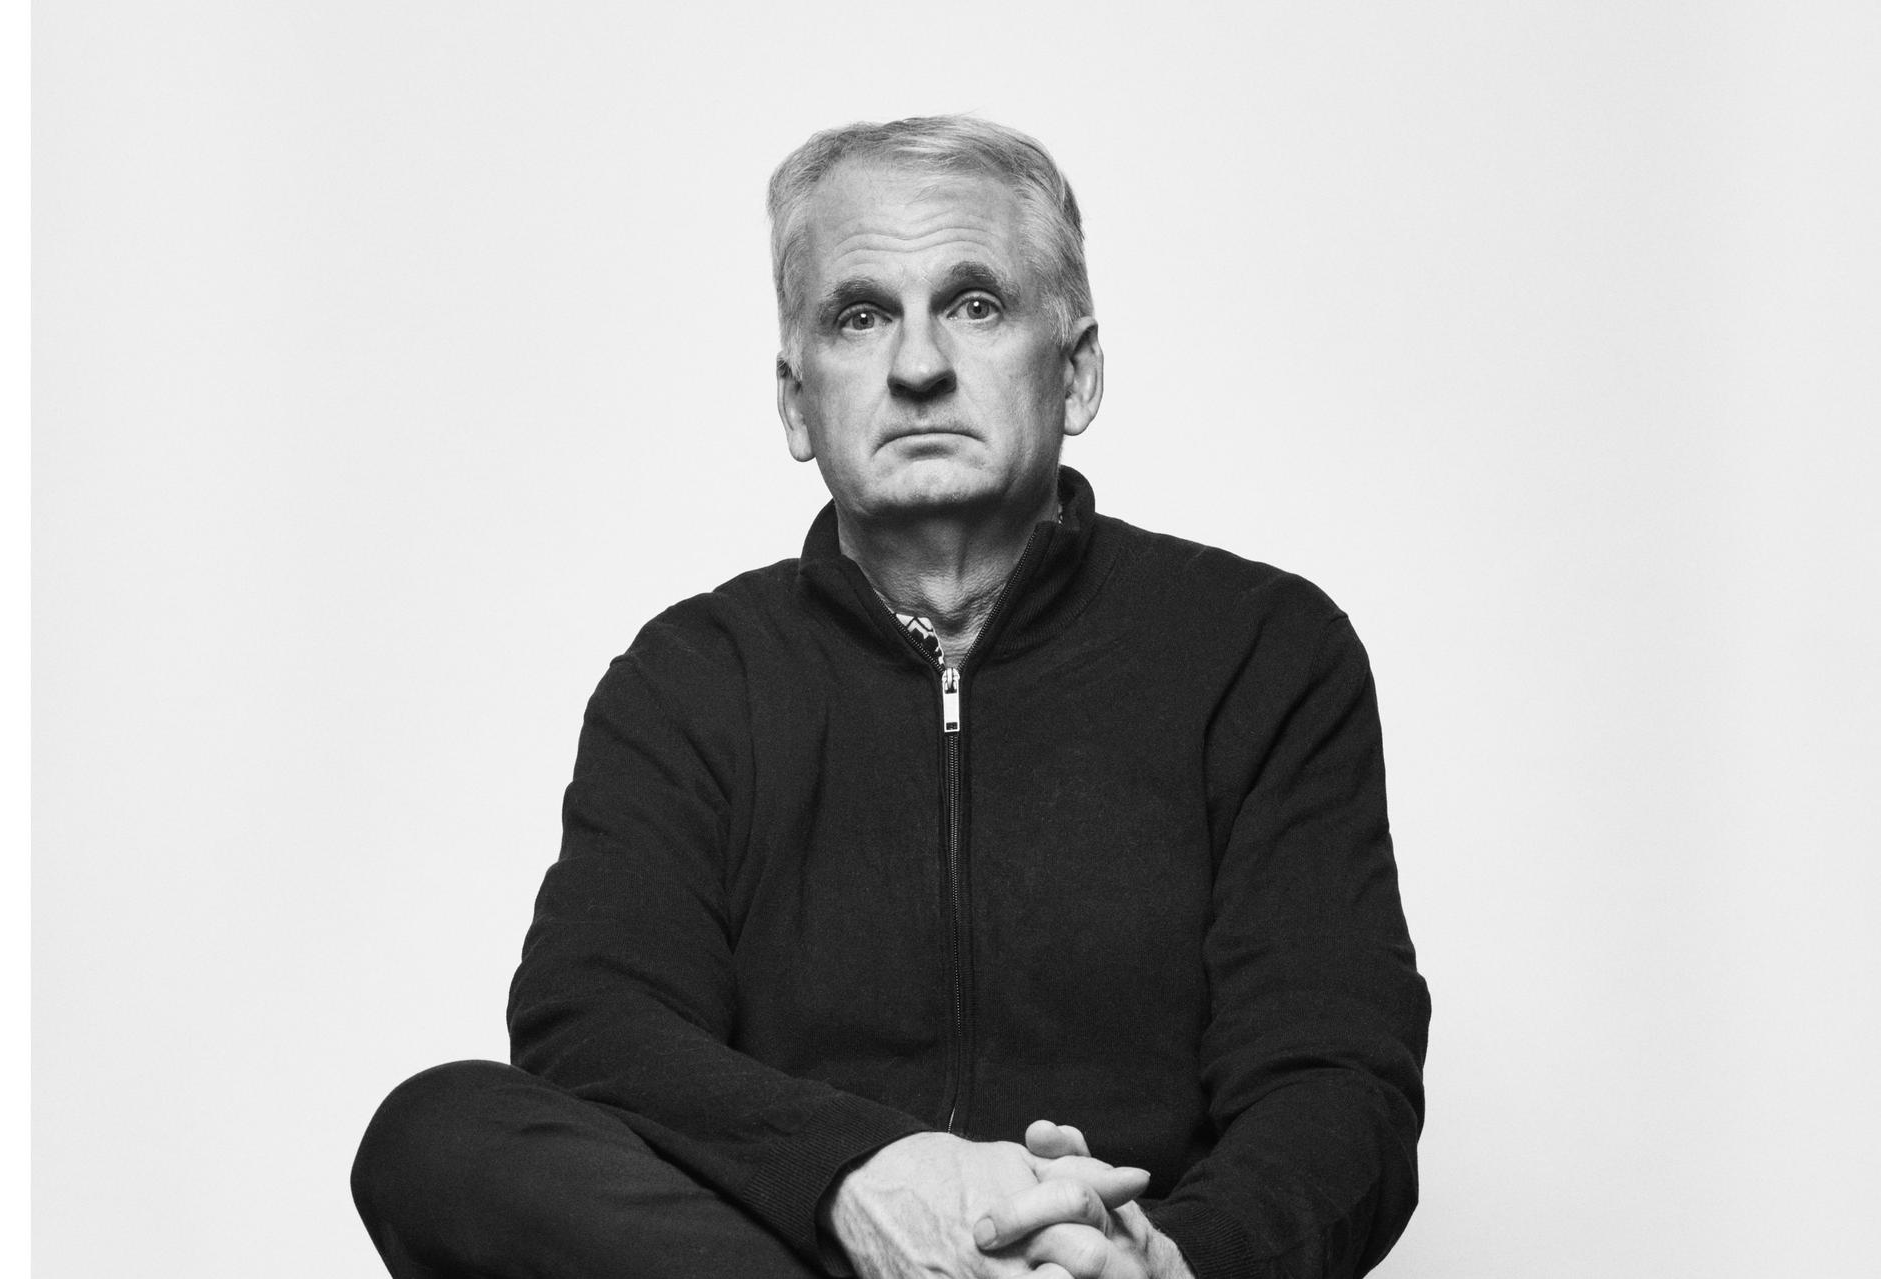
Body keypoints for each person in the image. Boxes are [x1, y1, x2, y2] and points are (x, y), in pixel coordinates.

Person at [351, 115, 1429, 1279]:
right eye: (861, 317)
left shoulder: (1261, 651)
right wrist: (866, 1175)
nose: (919, 366)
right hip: (793, 1255)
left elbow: (1334, 1078)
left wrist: (1162, 1261)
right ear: (795, 401)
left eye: (975, 304)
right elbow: (596, 1029)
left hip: (1127, 1265)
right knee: (437, 1132)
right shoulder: (689, 681)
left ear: (1076, 372)